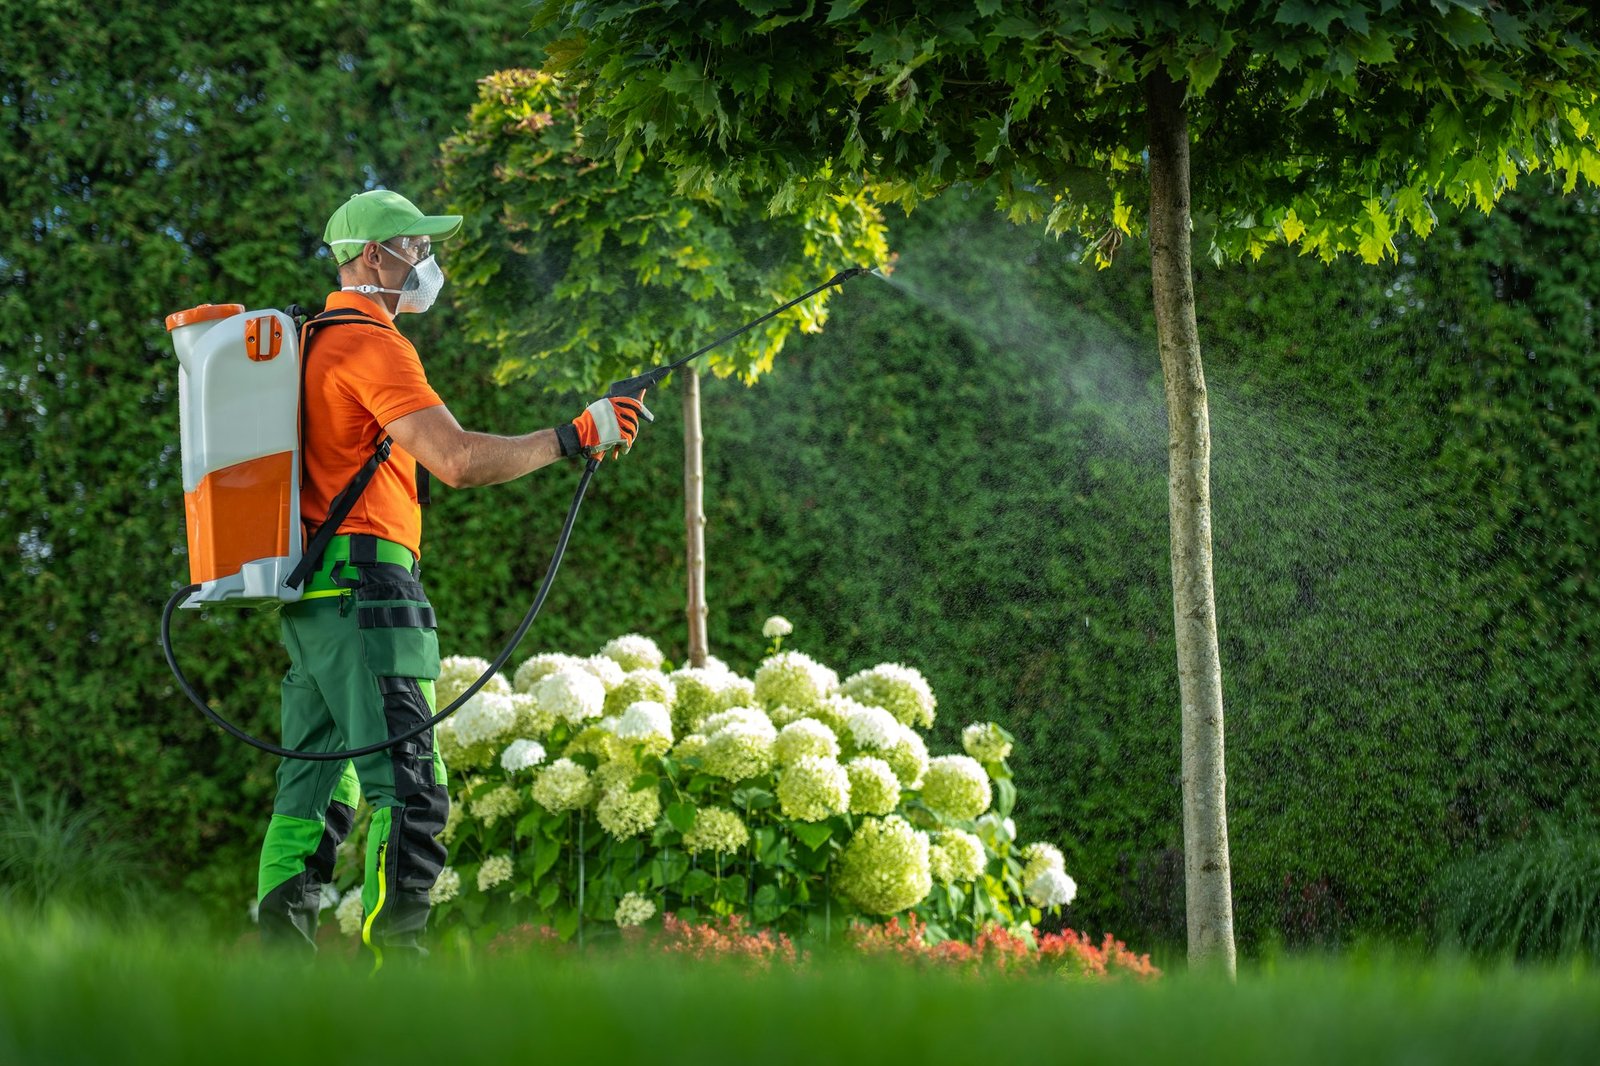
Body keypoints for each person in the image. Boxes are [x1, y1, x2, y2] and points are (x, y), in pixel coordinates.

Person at [255, 189, 649, 962]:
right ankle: (394, 989)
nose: (426, 262)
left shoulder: (308, 343)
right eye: (416, 247)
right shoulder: (371, 342)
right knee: (411, 793)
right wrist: (576, 435)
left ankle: (279, 985)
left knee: (311, 800)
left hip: (315, 609)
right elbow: (458, 460)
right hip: (370, 603)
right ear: (374, 257)